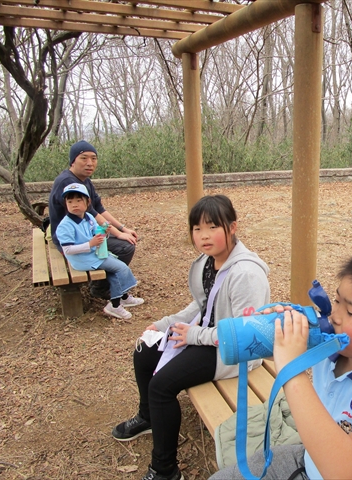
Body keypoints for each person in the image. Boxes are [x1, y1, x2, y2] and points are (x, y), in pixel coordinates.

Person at [211, 248, 352, 480]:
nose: (334, 315)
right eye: (336, 300)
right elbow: (277, 350)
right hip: (311, 462)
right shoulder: (334, 344)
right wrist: (274, 329)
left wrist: (292, 369)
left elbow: (347, 472)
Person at [112, 195, 270, 480]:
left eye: (212, 227)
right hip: (207, 337)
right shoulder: (208, 263)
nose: (204, 236)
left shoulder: (246, 273)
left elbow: (248, 333)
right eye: (197, 228)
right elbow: (201, 306)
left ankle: (165, 470)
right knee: (144, 351)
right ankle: (148, 416)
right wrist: (162, 325)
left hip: (236, 352)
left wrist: (194, 335)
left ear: (232, 227)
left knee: (162, 386)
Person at [49, 140, 138, 299]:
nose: (90, 163)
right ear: (73, 160)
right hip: (72, 239)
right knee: (125, 247)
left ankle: (110, 283)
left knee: (125, 240)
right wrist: (118, 234)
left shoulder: (84, 181)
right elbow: (94, 215)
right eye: (84, 158)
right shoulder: (68, 182)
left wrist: (123, 228)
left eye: (94, 158)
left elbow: (99, 209)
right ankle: (100, 288)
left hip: (84, 232)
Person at [55, 183, 145, 319]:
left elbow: (98, 235)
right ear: (65, 203)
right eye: (70, 201)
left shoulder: (89, 218)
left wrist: (105, 232)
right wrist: (90, 244)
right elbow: (67, 249)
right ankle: (114, 305)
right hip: (82, 259)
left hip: (94, 253)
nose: (74, 204)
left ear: (87, 202)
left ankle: (122, 298)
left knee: (115, 268)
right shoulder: (65, 225)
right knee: (121, 268)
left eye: (79, 200)